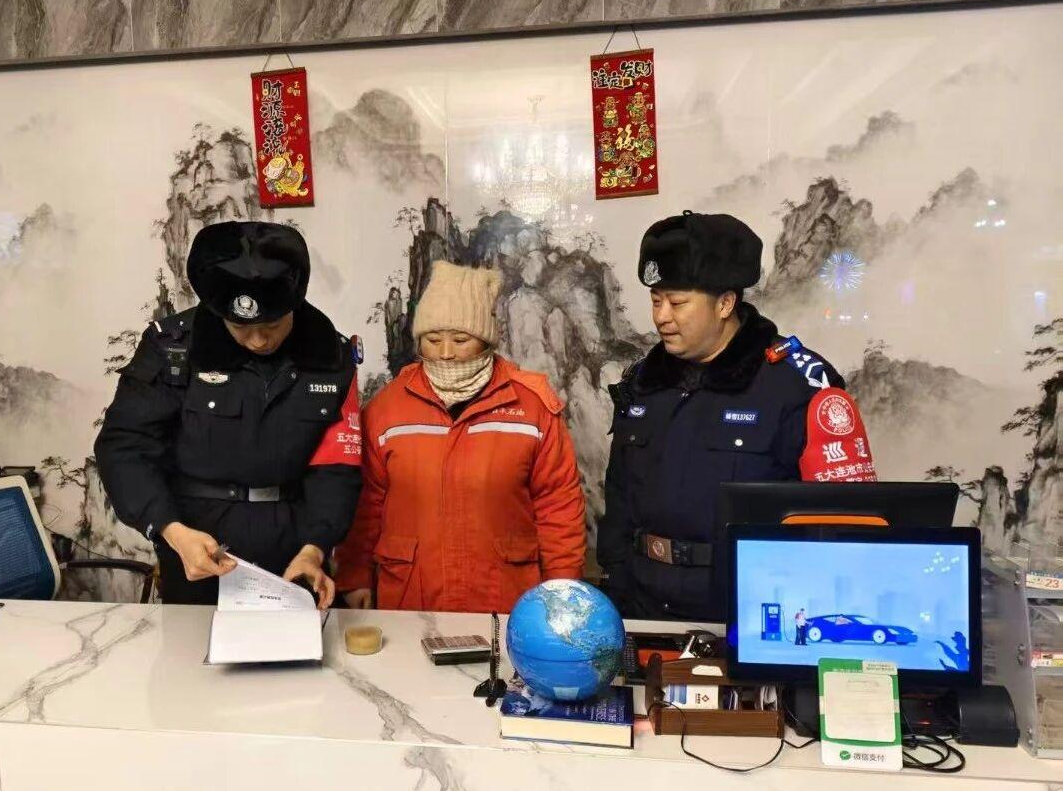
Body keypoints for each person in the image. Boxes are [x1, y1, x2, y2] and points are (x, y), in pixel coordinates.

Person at [599, 211, 876, 622]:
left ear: (725, 303)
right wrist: (617, 585)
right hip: (644, 608)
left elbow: (846, 522)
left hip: (748, 612)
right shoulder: (642, 382)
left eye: (677, 303)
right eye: (656, 301)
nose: (661, 317)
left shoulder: (800, 384)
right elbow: (620, 497)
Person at [95, 221, 362, 607]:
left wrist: (315, 548)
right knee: (193, 646)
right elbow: (124, 448)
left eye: (272, 324)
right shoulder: (173, 350)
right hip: (197, 549)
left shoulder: (330, 356)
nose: (258, 340)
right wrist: (172, 531)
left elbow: (336, 467)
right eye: (240, 326)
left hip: (295, 551)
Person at [336, 261, 586, 613]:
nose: (445, 352)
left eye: (460, 339)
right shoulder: (386, 411)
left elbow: (558, 509)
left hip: (508, 601)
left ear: (486, 340)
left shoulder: (532, 409)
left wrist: (563, 591)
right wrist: (354, 575)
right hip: (411, 600)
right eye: (432, 339)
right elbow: (365, 505)